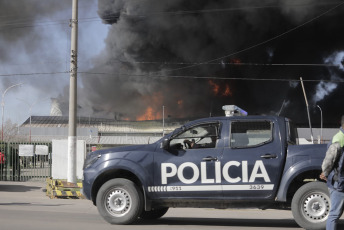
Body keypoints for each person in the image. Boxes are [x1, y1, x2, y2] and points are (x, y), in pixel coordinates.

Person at [320, 115, 344, 230]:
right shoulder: (338, 139)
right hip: (339, 183)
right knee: (334, 214)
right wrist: (325, 172)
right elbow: (329, 160)